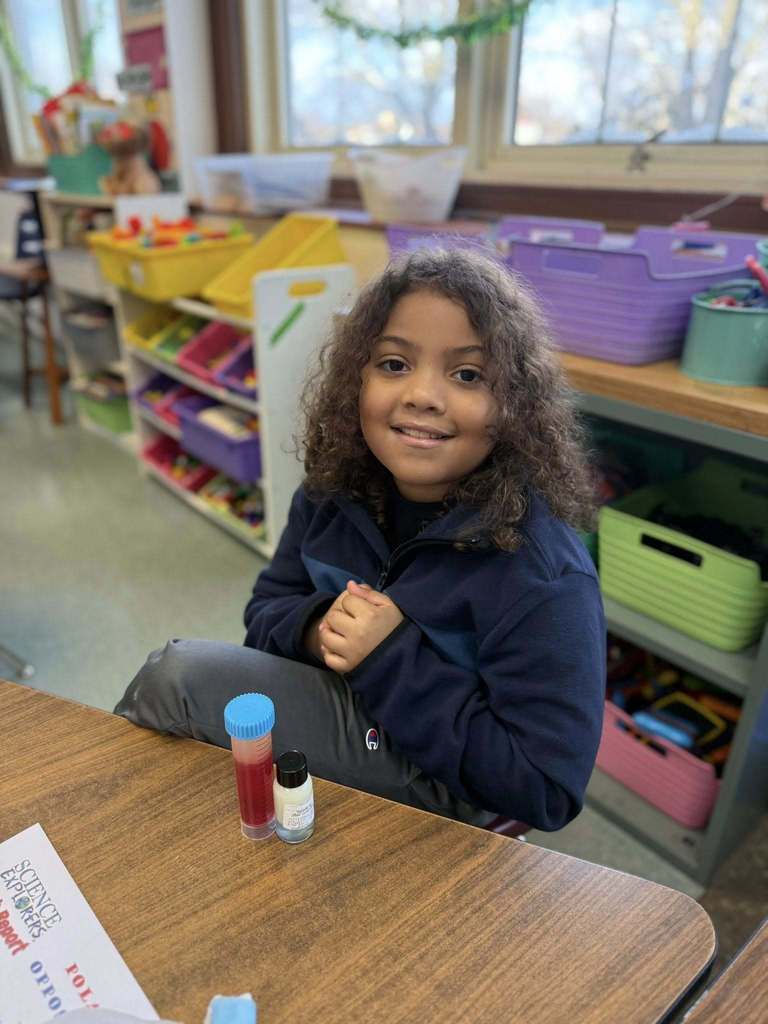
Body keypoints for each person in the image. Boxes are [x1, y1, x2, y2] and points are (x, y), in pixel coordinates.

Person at [115, 247, 606, 832]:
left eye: (468, 374)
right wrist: (318, 627)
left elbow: (545, 789)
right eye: (394, 364)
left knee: (180, 681)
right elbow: (265, 612)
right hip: (347, 707)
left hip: (450, 782)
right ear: (357, 378)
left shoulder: (542, 574)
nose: (422, 394)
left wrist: (389, 657)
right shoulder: (332, 493)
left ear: (515, 407)